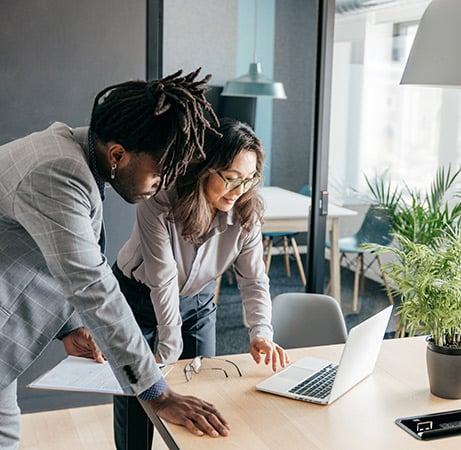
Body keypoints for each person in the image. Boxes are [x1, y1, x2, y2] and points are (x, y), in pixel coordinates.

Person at [0, 69, 231, 450]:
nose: (162, 185)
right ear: (119, 155)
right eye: (159, 174)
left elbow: (52, 250)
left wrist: (69, 327)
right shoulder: (59, 173)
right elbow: (92, 285)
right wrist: (158, 394)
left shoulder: (73, 153)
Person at [112, 118, 290, 449]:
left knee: (202, 394)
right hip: (137, 299)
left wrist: (261, 333)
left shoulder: (246, 213)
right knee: (142, 396)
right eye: (231, 179)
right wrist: (167, 351)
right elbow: (162, 279)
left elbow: (253, 279)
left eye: (249, 180)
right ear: (203, 168)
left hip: (198, 302)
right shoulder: (160, 203)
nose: (239, 191)